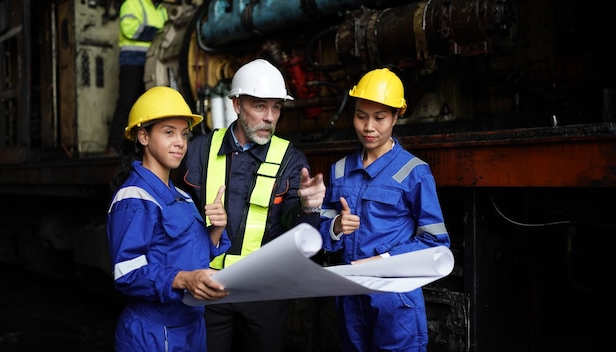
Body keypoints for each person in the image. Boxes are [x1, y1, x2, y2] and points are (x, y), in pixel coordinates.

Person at [177, 58, 326, 352]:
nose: (269, 117)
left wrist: (308, 209)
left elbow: (301, 238)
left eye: (276, 107)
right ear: (236, 104)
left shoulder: (291, 160)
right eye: (260, 106)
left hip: (264, 295)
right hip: (209, 290)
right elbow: (175, 222)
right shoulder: (199, 152)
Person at [318, 68, 451, 352]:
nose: (369, 127)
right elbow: (324, 233)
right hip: (350, 294)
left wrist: (384, 260)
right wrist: (337, 226)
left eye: (379, 118)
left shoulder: (414, 172)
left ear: (395, 117)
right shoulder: (339, 170)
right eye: (361, 116)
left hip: (394, 298)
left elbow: (436, 243)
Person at [107, 86, 231, 351]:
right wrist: (185, 280)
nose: (180, 143)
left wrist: (217, 228)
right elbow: (126, 272)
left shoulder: (182, 197)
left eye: (184, 134)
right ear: (143, 136)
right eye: (168, 132)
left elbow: (193, 256)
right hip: (154, 333)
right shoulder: (135, 197)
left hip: (190, 327)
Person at [106, 0, 168, 156]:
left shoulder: (162, 10)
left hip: (153, 63)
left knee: (146, 107)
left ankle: (132, 149)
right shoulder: (131, 3)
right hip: (133, 62)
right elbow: (130, 29)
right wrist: (157, 33)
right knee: (127, 103)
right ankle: (113, 147)